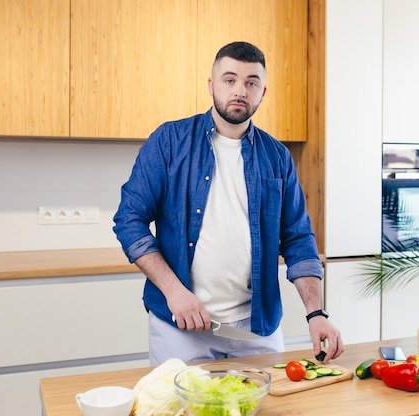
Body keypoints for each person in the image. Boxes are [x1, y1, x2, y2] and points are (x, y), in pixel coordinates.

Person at [113, 41, 343, 366]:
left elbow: (298, 239)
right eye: (229, 79)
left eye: (251, 82)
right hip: (182, 326)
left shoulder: (277, 157)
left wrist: (316, 312)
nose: (240, 90)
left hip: (257, 330)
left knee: (267, 410)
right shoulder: (168, 142)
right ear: (212, 85)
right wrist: (174, 292)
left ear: (263, 92)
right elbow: (129, 220)